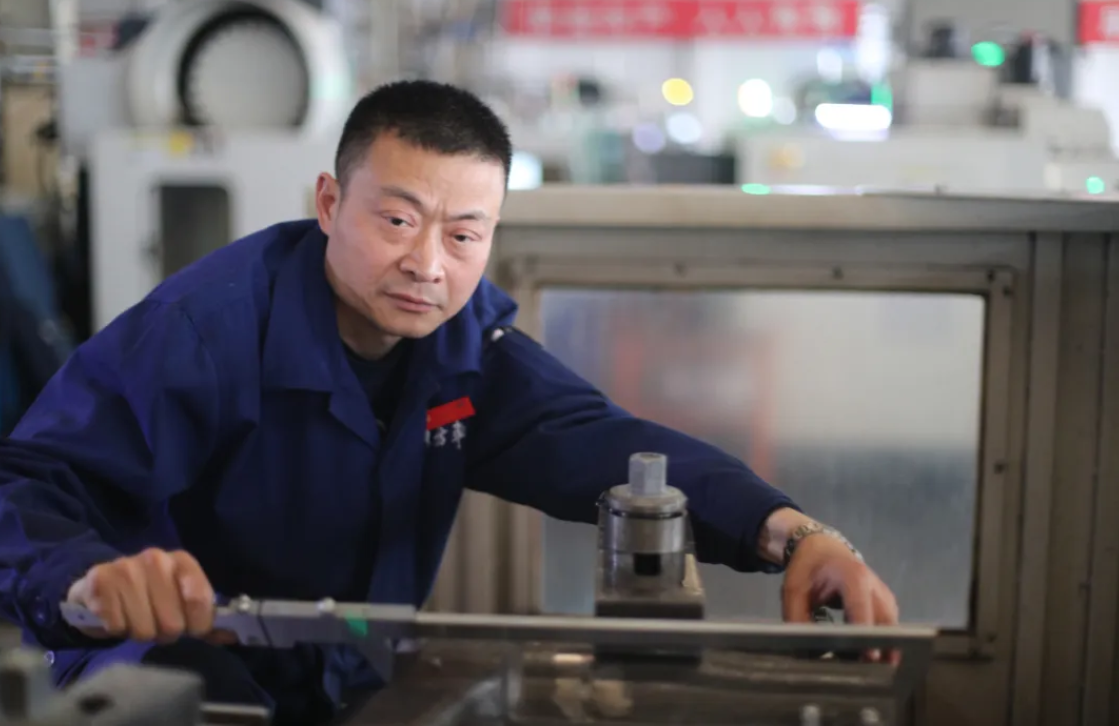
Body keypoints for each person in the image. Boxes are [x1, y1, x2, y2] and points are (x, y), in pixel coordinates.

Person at [0, 80, 898, 724]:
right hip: (163, 673)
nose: (427, 263)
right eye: (396, 220)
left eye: (464, 234)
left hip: (347, 681)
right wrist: (90, 579)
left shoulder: (463, 355)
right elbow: (29, 484)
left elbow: (600, 443)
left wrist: (793, 533)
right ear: (328, 202)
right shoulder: (205, 331)